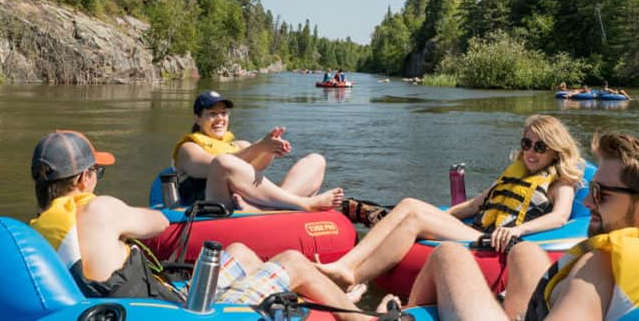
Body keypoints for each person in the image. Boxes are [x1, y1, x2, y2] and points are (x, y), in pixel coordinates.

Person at [30, 130, 366, 319]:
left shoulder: (39, 232)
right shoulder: (98, 211)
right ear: (84, 178)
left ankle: (328, 296)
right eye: (96, 173)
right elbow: (160, 222)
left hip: (160, 302)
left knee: (239, 252)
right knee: (293, 261)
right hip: (177, 314)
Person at [407, 132, 639, 321]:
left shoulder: (600, 265)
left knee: (449, 255)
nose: (588, 203)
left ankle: (400, 312)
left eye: (600, 194)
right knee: (526, 251)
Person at [316, 115, 584, 288]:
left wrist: (517, 230)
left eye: (540, 147)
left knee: (416, 219)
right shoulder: (514, 174)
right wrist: (440, 215)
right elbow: (475, 205)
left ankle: (353, 277)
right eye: (527, 143)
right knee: (410, 204)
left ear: (555, 150)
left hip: (497, 242)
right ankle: (347, 264)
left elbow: (560, 216)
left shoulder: (561, 181)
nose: (530, 153)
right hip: (478, 230)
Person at [173, 91, 343, 211]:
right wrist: (260, 146)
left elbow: (258, 167)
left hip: (248, 203)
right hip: (216, 207)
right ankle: (302, 203)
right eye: (212, 114)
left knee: (316, 160)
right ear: (197, 118)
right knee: (221, 162)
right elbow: (215, 166)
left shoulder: (238, 145)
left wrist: (269, 148)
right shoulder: (188, 149)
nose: (220, 119)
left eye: (224, 113)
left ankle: (268, 209)